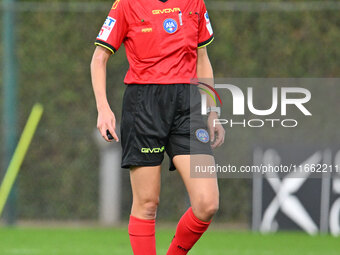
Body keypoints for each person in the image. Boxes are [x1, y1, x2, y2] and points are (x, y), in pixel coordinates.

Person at [90, 0, 225, 254]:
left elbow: (203, 59)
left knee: (207, 203)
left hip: (188, 105)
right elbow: (99, 59)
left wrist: (213, 110)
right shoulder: (126, 4)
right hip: (144, 105)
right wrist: (103, 108)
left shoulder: (195, 3)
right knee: (147, 202)